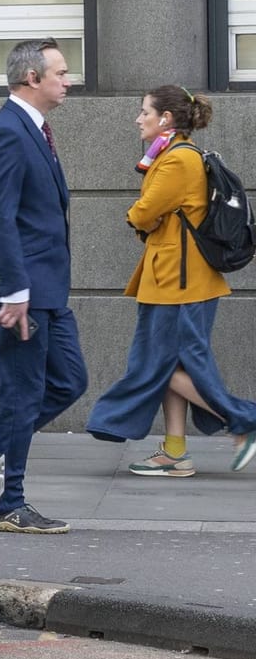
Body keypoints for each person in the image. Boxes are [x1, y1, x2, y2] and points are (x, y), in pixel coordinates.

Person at [85, 86, 256, 475]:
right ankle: (175, 451)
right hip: (174, 279)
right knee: (167, 364)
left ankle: (244, 420)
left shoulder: (178, 160)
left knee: (160, 364)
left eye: (144, 111)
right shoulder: (170, 155)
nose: (137, 117)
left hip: (180, 282)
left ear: (165, 118)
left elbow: (144, 213)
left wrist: (139, 215)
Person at [0, 38, 87, 533]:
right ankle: (4, 502)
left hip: (46, 290)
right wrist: (14, 290)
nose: (69, 80)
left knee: (69, 380)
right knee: (21, 396)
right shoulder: (6, 132)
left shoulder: (34, 130)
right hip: (21, 293)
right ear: (32, 79)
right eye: (61, 73)